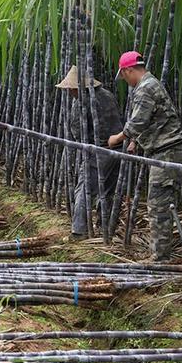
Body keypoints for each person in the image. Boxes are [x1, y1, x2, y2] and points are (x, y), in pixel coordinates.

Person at [108, 51, 182, 262]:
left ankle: (160, 257)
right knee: (159, 203)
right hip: (165, 151)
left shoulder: (145, 88)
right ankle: (159, 252)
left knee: (158, 205)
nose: (125, 81)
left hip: (168, 153)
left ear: (128, 70)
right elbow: (154, 118)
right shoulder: (150, 84)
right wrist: (135, 141)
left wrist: (118, 137)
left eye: (124, 76)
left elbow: (138, 122)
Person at [55, 65, 123, 240]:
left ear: (77, 87)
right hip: (119, 149)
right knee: (107, 190)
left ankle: (79, 230)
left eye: (71, 89)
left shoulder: (82, 101)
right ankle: (105, 226)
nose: (70, 92)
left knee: (84, 189)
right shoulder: (108, 95)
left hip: (98, 151)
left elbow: (77, 130)